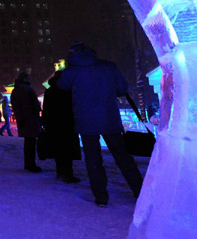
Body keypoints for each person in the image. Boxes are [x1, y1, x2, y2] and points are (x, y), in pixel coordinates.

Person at [57, 42, 143, 207]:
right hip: (109, 117)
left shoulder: (71, 71)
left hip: (85, 120)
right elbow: (122, 89)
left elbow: (62, 86)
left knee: (93, 159)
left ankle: (101, 196)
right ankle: (139, 190)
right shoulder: (109, 67)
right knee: (123, 156)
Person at [42, 70, 81, 183]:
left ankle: (60, 171)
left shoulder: (50, 91)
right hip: (67, 122)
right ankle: (67, 173)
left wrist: (46, 123)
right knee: (67, 149)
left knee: (58, 149)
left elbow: (46, 109)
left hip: (54, 124)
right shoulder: (68, 90)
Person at [11, 72, 42, 173]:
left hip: (31, 118)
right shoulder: (20, 90)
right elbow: (17, 107)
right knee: (30, 141)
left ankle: (29, 163)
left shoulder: (26, 89)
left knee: (31, 141)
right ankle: (30, 164)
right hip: (27, 119)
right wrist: (20, 119)